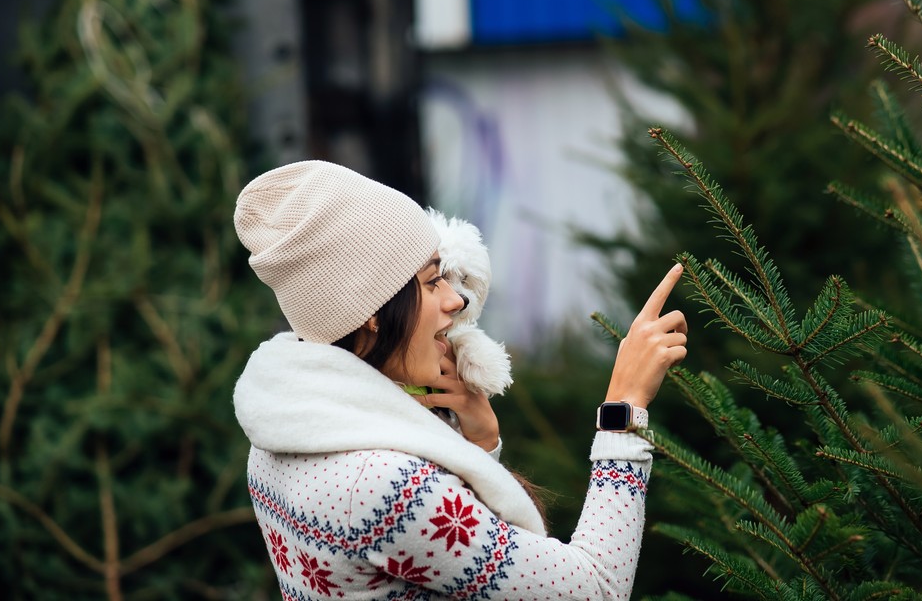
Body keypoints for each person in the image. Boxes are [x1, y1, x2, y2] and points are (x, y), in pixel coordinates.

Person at [231, 160, 688, 600]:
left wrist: (480, 442)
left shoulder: (284, 429)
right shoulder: (385, 487)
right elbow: (595, 590)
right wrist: (623, 411)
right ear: (371, 310)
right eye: (432, 282)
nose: (456, 300)